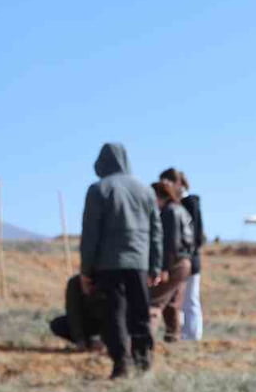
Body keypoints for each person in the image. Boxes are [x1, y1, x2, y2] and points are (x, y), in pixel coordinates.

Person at [80, 143, 162, 379]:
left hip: (109, 264)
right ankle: (144, 362)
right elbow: (156, 231)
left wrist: (86, 270)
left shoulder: (98, 190)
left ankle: (121, 365)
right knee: (140, 313)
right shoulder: (145, 190)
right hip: (139, 262)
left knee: (114, 313)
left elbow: (90, 233)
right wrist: (155, 265)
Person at [160, 168, 205, 341]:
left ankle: (193, 335)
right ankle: (184, 332)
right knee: (181, 298)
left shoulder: (189, 203)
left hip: (188, 259)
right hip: (180, 259)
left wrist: (188, 254)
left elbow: (196, 235)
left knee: (190, 298)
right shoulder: (177, 204)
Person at [148, 180, 193, 342]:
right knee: (172, 303)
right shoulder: (179, 210)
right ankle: (173, 337)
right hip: (183, 262)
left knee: (154, 303)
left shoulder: (170, 212)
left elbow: (170, 243)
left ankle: (144, 342)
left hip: (174, 263)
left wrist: (164, 268)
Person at [49, 273, 107, 349]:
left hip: (108, 322)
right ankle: (90, 343)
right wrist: (80, 339)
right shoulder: (75, 282)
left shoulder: (110, 282)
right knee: (58, 324)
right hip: (88, 321)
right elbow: (73, 313)